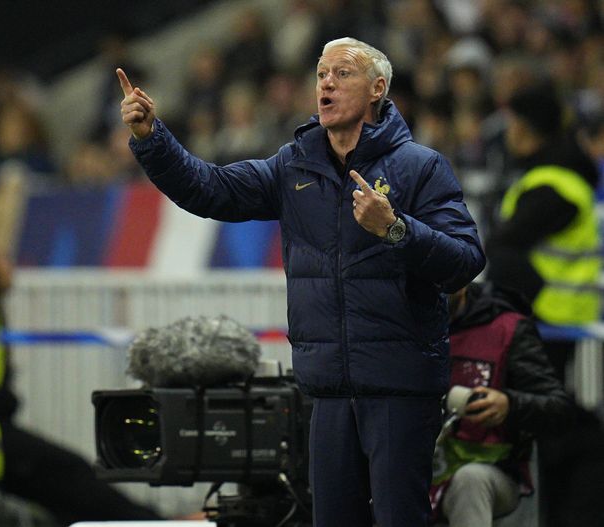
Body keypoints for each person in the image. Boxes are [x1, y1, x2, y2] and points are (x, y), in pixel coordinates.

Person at [117, 37, 485, 527]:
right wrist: (151, 138)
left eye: (342, 73)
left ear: (377, 89)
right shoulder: (293, 165)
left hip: (399, 386)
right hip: (326, 392)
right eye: (321, 73)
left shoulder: (421, 167)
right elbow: (211, 190)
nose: (326, 83)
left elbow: (464, 261)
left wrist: (396, 229)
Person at [0, 235, 162, 524]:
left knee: (62, 481)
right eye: (3, 260)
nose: (11, 268)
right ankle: (148, 522)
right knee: (71, 474)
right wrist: (6, 403)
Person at [431, 281, 574, 526]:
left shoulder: (506, 328)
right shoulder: (396, 325)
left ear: (464, 280)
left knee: (470, 480)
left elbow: (558, 408)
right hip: (413, 468)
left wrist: (510, 404)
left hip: (490, 471)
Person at [485, 81, 600, 381]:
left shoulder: (552, 186)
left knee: (546, 412)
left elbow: (503, 243)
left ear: (523, 128)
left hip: (552, 316)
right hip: (554, 314)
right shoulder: (552, 176)